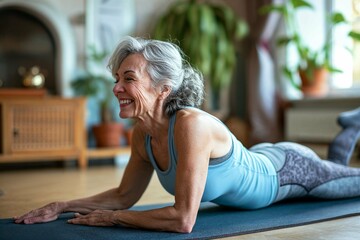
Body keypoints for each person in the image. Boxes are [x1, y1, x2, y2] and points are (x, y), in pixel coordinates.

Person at [14, 36, 360, 233]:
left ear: (163, 88)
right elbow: (123, 196)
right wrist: (62, 205)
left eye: (129, 79)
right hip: (268, 155)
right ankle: (350, 127)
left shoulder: (191, 125)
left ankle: (350, 126)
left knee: (352, 181)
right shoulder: (142, 135)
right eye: (117, 79)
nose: (117, 88)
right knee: (336, 167)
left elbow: (183, 219)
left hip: (290, 172)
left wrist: (114, 220)